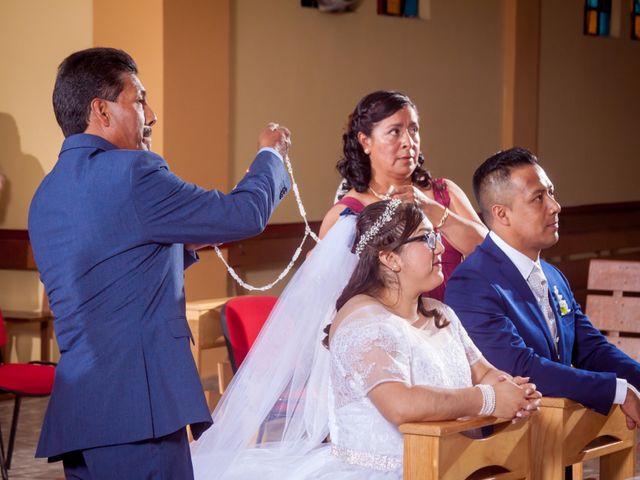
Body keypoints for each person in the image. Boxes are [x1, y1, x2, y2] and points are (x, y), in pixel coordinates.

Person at [28, 47, 291, 479]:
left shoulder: (46, 195)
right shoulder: (133, 173)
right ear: (101, 110)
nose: (151, 115)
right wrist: (271, 158)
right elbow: (243, 215)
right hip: (139, 413)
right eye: (139, 99)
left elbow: (114, 267)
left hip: (81, 415)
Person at [191, 200, 540, 479]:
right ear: (389, 258)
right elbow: (399, 405)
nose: (440, 248)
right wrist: (491, 399)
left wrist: (512, 390)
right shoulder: (363, 322)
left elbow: (481, 370)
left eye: (437, 237)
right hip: (383, 470)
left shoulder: (438, 311)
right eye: (427, 239)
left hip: (454, 464)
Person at [445, 147, 640, 429]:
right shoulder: (472, 282)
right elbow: (521, 367)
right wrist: (617, 390)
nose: (555, 206)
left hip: (554, 432)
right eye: (538, 198)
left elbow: (591, 349)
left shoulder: (553, 274)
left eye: (551, 192)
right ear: (502, 214)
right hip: (505, 444)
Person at [319, 90, 487, 300]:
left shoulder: (445, 193)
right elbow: (334, 296)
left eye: (414, 129)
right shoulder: (345, 213)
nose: (409, 142)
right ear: (365, 141)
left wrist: (433, 211)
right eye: (395, 131)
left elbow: (491, 254)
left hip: (460, 322)